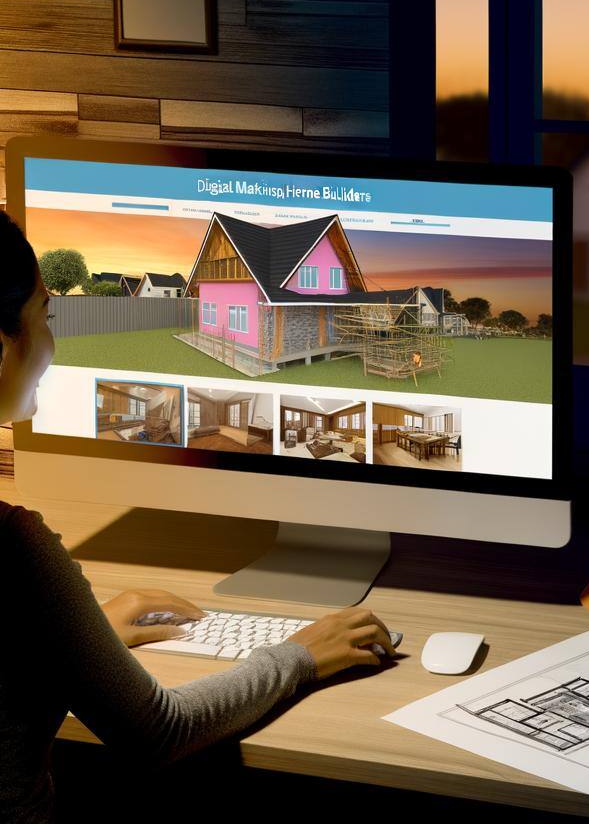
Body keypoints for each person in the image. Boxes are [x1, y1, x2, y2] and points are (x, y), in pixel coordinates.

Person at [0, 210, 397, 821]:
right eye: (45, 316)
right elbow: (159, 732)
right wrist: (299, 655)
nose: (52, 342)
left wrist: (81, 637)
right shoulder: (10, 548)